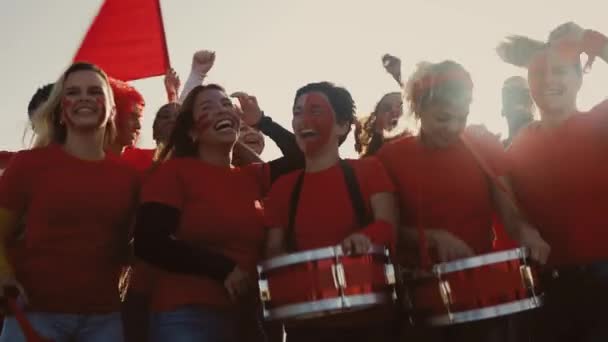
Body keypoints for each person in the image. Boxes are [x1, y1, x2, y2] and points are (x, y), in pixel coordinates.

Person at [376, 60, 549, 342]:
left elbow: (511, 215)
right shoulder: (390, 159)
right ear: (418, 109)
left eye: (462, 117)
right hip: (419, 298)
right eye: (443, 118)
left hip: (480, 296)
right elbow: (387, 231)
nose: (454, 127)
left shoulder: (483, 145)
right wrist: (434, 238)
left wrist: (529, 234)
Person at [133, 84, 304, 342]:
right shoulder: (173, 173)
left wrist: (262, 121)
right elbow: (150, 242)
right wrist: (222, 268)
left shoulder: (251, 177)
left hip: (245, 318)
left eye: (226, 105)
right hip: (186, 317)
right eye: (207, 107)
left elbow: (302, 157)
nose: (221, 111)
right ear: (191, 131)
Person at [0, 62, 139, 342]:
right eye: (73, 92)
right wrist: (4, 275)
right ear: (60, 110)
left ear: (112, 110)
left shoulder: (128, 176)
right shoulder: (28, 164)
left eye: (94, 91)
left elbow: (130, 248)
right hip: (34, 316)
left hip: (104, 320)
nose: (84, 98)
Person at [498, 22, 608, 342]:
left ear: (579, 78)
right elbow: (510, 208)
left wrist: (591, 41)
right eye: (538, 74)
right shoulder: (519, 145)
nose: (548, 81)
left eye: (559, 72)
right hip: (546, 292)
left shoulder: (600, 124)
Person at [264, 81, 398, 342]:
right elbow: (274, 250)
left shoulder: (368, 170)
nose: (303, 120)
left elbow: (388, 224)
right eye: (297, 111)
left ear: (342, 125)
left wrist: (366, 237)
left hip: (370, 321)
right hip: (307, 327)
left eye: (315, 110)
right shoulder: (283, 187)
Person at [501, 76, 534, 146]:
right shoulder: (497, 150)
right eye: (509, 93)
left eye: (525, 94)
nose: (517, 99)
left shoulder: (548, 142)